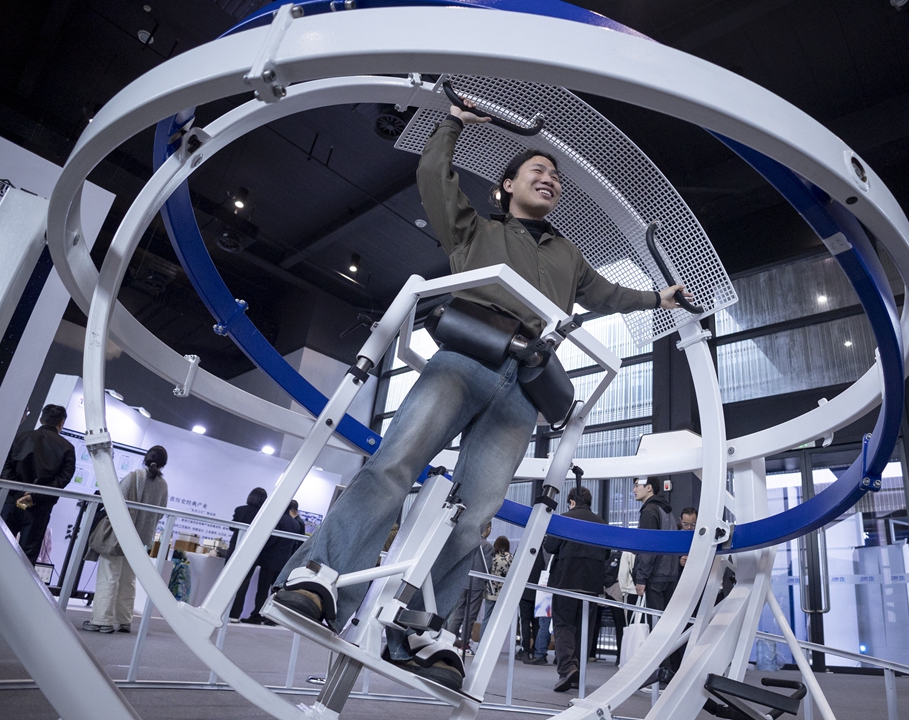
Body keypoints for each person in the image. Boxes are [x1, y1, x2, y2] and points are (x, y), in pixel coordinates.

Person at [270, 97, 690, 691]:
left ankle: (416, 629)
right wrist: (453, 124)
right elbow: (431, 179)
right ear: (507, 185)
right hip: (467, 356)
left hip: (525, 383)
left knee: (476, 515)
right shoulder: (477, 230)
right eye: (537, 172)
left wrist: (659, 298)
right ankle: (321, 578)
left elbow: (606, 296)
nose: (550, 179)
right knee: (395, 465)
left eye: (556, 177)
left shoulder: (568, 254)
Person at [0, 404, 75, 619]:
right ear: (61, 423)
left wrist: (18, 494)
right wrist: (34, 496)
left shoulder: (21, 437)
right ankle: (11, 608)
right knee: (27, 558)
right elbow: (63, 479)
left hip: (10, 503)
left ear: (42, 418)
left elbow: (6, 468)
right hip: (39, 509)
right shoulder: (67, 448)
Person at [83, 446, 169, 634]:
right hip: (141, 539)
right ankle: (123, 620)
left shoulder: (134, 476)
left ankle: (102, 620)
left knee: (109, 575)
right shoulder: (163, 485)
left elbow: (115, 502)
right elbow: (161, 514)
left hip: (120, 536)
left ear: (145, 458)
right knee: (128, 579)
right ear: (164, 464)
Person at [544, 486, 608, 692]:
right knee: (584, 629)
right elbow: (606, 553)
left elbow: (550, 547)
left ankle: (567, 668)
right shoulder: (601, 523)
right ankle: (578, 671)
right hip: (591, 584)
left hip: (566, 581)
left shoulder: (564, 519)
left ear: (571, 502)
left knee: (564, 626)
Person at [632, 476, 681, 685]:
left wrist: (641, 577)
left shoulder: (649, 511)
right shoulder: (667, 510)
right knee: (669, 626)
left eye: (637, 485)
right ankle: (673, 670)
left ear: (649, 488)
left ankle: (663, 671)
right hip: (671, 575)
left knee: (657, 626)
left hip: (655, 577)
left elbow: (647, 548)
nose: (634, 490)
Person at [229, 491, 302, 624]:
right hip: (284, 562)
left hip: (269, 560)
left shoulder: (276, 519)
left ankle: (257, 615)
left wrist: (261, 549)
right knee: (276, 592)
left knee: (262, 590)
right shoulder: (295, 523)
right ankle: (272, 618)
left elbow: (272, 540)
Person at [445, 522, 494, 653]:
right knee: (470, 616)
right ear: (488, 529)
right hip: (477, 584)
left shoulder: (467, 541)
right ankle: (464, 643)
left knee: (457, 613)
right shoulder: (487, 546)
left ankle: (449, 640)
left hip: (462, 581)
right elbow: (487, 568)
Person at [479, 535, 513, 638]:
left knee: (487, 618)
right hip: (504, 592)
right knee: (500, 620)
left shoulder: (492, 556)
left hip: (490, 591)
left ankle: (482, 642)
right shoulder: (510, 557)